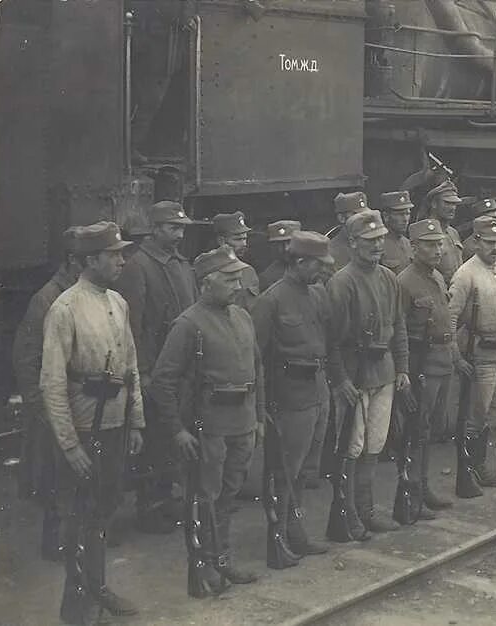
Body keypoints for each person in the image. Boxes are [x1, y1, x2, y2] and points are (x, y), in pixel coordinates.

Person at [40, 221, 145, 622]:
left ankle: (98, 588)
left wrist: (135, 421)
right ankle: (78, 603)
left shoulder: (118, 303)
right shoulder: (64, 309)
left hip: (115, 427)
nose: (121, 260)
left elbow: (131, 366)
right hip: (85, 431)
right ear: (90, 260)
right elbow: (52, 384)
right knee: (79, 517)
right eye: (114, 254)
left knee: (103, 512)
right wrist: (69, 445)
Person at [151, 246, 266, 593]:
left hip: (242, 423)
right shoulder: (188, 324)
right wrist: (177, 429)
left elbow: (257, 369)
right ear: (205, 283)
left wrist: (258, 417)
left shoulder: (242, 317)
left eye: (238, 277)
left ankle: (223, 560)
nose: (237, 285)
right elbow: (162, 381)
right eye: (229, 279)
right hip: (209, 427)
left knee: (229, 496)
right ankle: (201, 568)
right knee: (205, 498)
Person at [114, 200, 197, 535]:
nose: (178, 234)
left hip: (181, 367)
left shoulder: (181, 264)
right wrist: (143, 372)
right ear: (155, 228)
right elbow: (133, 325)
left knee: (172, 435)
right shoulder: (138, 266)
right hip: (155, 369)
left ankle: (166, 499)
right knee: (154, 441)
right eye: (172, 228)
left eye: (181, 228)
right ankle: (150, 506)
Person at [327, 209, 410, 536]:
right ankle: (347, 514)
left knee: (375, 443)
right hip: (355, 375)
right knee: (352, 445)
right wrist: (341, 380)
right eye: (368, 240)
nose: (377, 246)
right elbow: (331, 341)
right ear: (352, 242)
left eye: (379, 239)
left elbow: (399, 325)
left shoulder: (388, 277)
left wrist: (402, 367)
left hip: (384, 372)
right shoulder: (342, 282)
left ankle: (366, 509)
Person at [251, 231, 334, 558]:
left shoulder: (317, 295)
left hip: (316, 391)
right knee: (283, 471)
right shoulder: (270, 301)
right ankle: (278, 536)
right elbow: (257, 358)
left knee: (304, 472)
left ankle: (294, 530)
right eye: (317, 264)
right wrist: (264, 406)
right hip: (288, 398)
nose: (323, 271)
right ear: (299, 262)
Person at [12, 227, 80, 561]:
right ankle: (55, 542)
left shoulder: (82, 293)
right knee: (54, 474)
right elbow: (26, 355)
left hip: (77, 402)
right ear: (72, 261)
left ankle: (75, 537)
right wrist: (39, 404)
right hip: (55, 402)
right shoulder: (47, 298)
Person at [396, 219, 459, 515]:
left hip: (442, 359)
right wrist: (405, 373)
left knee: (431, 430)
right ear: (413, 248)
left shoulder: (437, 278)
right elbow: (399, 332)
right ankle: (411, 495)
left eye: (439, 243)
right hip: (422, 364)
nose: (438, 249)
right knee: (416, 431)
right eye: (430, 244)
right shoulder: (405, 282)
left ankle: (424, 487)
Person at [448, 215, 496, 488]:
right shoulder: (465, 274)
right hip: (480, 354)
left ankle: (482, 468)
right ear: (476, 242)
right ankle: (470, 471)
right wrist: (457, 356)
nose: (495, 248)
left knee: (494, 413)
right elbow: (450, 319)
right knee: (476, 415)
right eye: (489, 243)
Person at [212, 211, 260, 312]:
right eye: (238, 239)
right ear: (221, 241)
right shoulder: (209, 271)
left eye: (245, 239)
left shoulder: (249, 271)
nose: (244, 244)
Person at [426, 180, 465, 284]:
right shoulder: (425, 234)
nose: (452, 208)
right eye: (447, 203)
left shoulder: (453, 233)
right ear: (434, 203)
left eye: (454, 204)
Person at [327, 191, 369, 270]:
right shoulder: (331, 251)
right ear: (342, 218)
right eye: (357, 215)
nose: (363, 219)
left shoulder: (372, 243)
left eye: (366, 215)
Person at [258, 220, 302, 291]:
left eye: (289, 242)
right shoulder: (268, 277)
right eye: (280, 244)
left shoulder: (312, 268)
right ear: (272, 246)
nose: (286, 248)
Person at [378, 191, 414, 275]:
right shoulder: (377, 246)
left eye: (407, 213)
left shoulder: (408, 243)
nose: (405, 219)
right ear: (386, 216)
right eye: (400, 214)